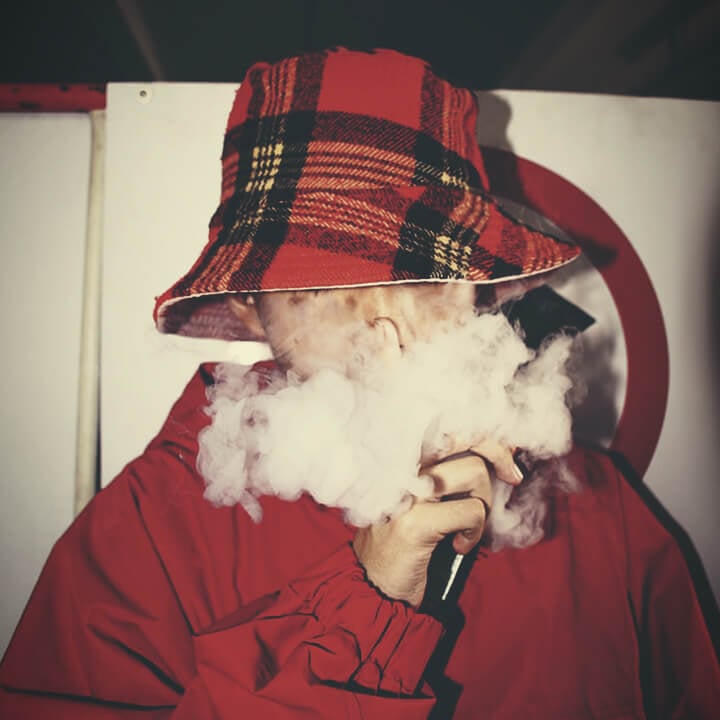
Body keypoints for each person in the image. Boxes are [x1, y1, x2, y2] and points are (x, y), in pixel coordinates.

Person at [1, 48, 718, 719]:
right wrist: (363, 606)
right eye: (321, 287)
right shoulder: (155, 528)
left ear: (476, 290)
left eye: (424, 279)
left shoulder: (596, 507)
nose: (384, 328)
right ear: (251, 306)